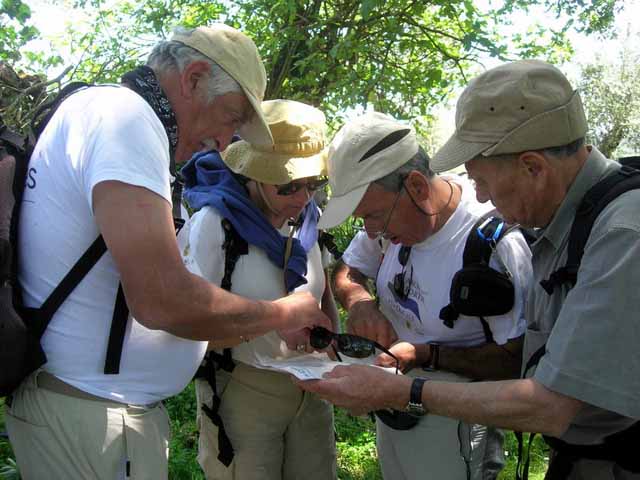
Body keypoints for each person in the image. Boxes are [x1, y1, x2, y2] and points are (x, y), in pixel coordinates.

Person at [6, 25, 331, 480]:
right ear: (194, 78)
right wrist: (285, 312)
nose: (222, 142)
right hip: (96, 418)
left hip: (91, 412)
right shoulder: (128, 119)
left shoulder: (100, 110)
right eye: (230, 117)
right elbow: (163, 299)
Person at [299, 60, 640, 479]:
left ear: (533, 167)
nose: (481, 196)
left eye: (480, 180)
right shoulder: (568, 225)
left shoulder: (621, 234)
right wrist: (366, 306)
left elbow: (552, 403)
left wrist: (408, 385)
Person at [315, 112, 532, 480]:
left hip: (457, 423)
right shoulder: (385, 222)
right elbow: (347, 270)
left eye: (374, 217)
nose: (370, 231)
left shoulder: (493, 242)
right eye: (361, 219)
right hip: (393, 405)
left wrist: (424, 354)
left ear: (416, 186)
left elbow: (517, 361)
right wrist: (359, 301)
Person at [180, 99, 338, 480]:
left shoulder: (307, 220)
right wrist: (271, 319)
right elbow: (189, 322)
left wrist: (332, 336)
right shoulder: (216, 225)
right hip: (244, 391)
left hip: (313, 388)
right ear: (254, 173)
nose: (303, 198)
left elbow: (321, 287)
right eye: (289, 186)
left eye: (313, 185)